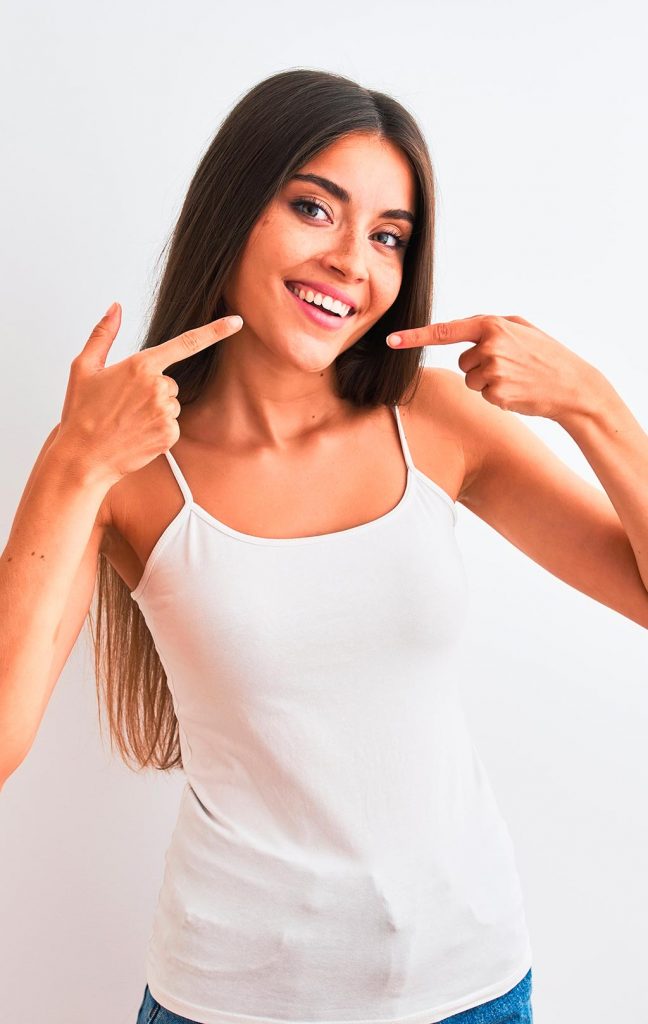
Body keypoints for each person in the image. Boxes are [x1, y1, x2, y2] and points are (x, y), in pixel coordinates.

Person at [4, 67, 648, 1024]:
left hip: (472, 984)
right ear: (233, 211)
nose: (354, 261)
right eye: (316, 208)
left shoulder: (433, 417)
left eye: (388, 236)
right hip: (229, 1001)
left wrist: (591, 404)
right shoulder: (130, 472)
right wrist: (68, 464)